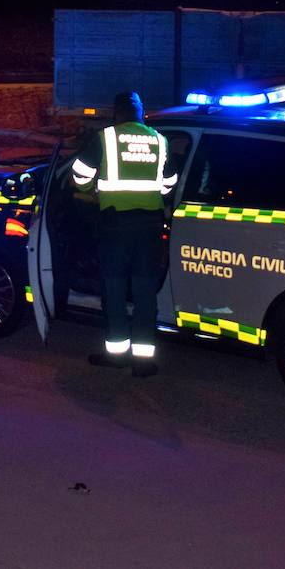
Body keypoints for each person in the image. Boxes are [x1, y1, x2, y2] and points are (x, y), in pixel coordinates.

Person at [70, 91, 178, 377]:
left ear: (116, 113)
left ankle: (117, 356)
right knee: (145, 293)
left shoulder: (106, 138)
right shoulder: (159, 140)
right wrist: (155, 196)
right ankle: (143, 362)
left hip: (115, 227)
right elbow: (170, 183)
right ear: (141, 112)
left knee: (114, 290)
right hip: (150, 228)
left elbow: (79, 175)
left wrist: (89, 191)